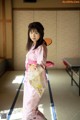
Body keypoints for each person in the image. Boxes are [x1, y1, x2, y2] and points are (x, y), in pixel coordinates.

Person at [22, 22, 48, 120]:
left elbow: (41, 63)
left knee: (30, 109)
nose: (33, 35)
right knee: (29, 107)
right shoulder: (33, 45)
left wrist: (34, 66)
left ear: (41, 34)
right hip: (29, 78)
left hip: (37, 80)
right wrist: (30, 67)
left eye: (36, 33)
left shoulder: (41, 46)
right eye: (31, 32)